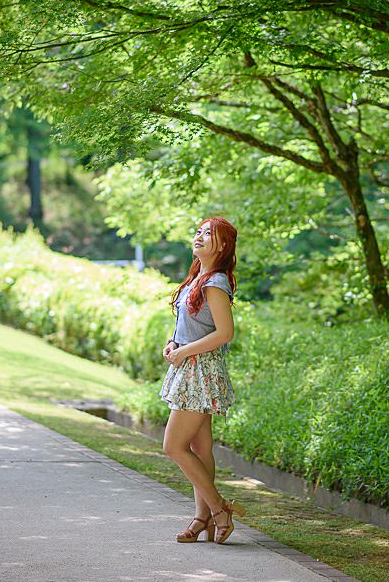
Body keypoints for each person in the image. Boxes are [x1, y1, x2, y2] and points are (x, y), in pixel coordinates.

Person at [159, 216, 246, 545]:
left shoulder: (215, 282)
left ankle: (219, 510)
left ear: (221, 246)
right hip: (190, 366)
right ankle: (203, 520)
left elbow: (225, 333)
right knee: (199, 446)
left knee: (173, 446)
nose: (199, 237)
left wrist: (185, 353)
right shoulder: (199, 277)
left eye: (207, 234)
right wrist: (174, 344)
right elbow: (192, 324)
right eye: (198, 232)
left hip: (200, 372)